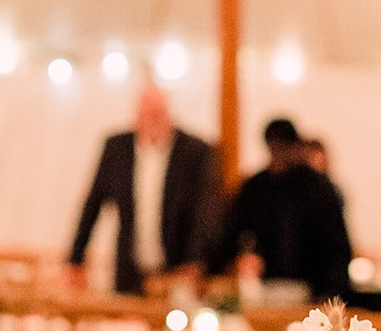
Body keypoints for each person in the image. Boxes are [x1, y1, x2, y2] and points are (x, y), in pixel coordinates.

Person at [67, 85, 222, 295]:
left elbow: (205, 212)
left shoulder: (195, 152)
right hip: (129, 268)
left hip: (176, 267)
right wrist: (76, 257)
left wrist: (194, 260)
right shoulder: (117, 148)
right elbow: (93, 203)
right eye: (147, 114)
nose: (153, 120)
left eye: (158, 114)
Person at [207, 117, 353, 301]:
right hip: (264, 288)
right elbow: (229, 235)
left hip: (312, 289)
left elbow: (337, 247)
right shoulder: (255, 188)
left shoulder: (317, 188)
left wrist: (331, 292)